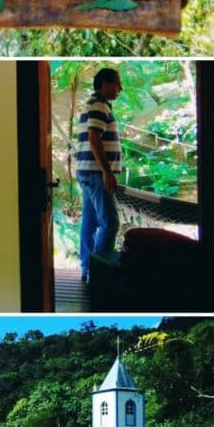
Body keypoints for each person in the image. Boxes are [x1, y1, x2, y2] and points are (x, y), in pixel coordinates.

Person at [76, 68, 123, 282]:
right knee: (110, 223)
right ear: (105, 84)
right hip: (96, 173)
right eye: (117, 84)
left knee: (90, 222)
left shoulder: (94, 103)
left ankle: (88, 270)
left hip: (88, 172)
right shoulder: (99, 104)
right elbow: (94, 139)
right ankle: (98, 274)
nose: (120, 88)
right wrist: (107, 172)